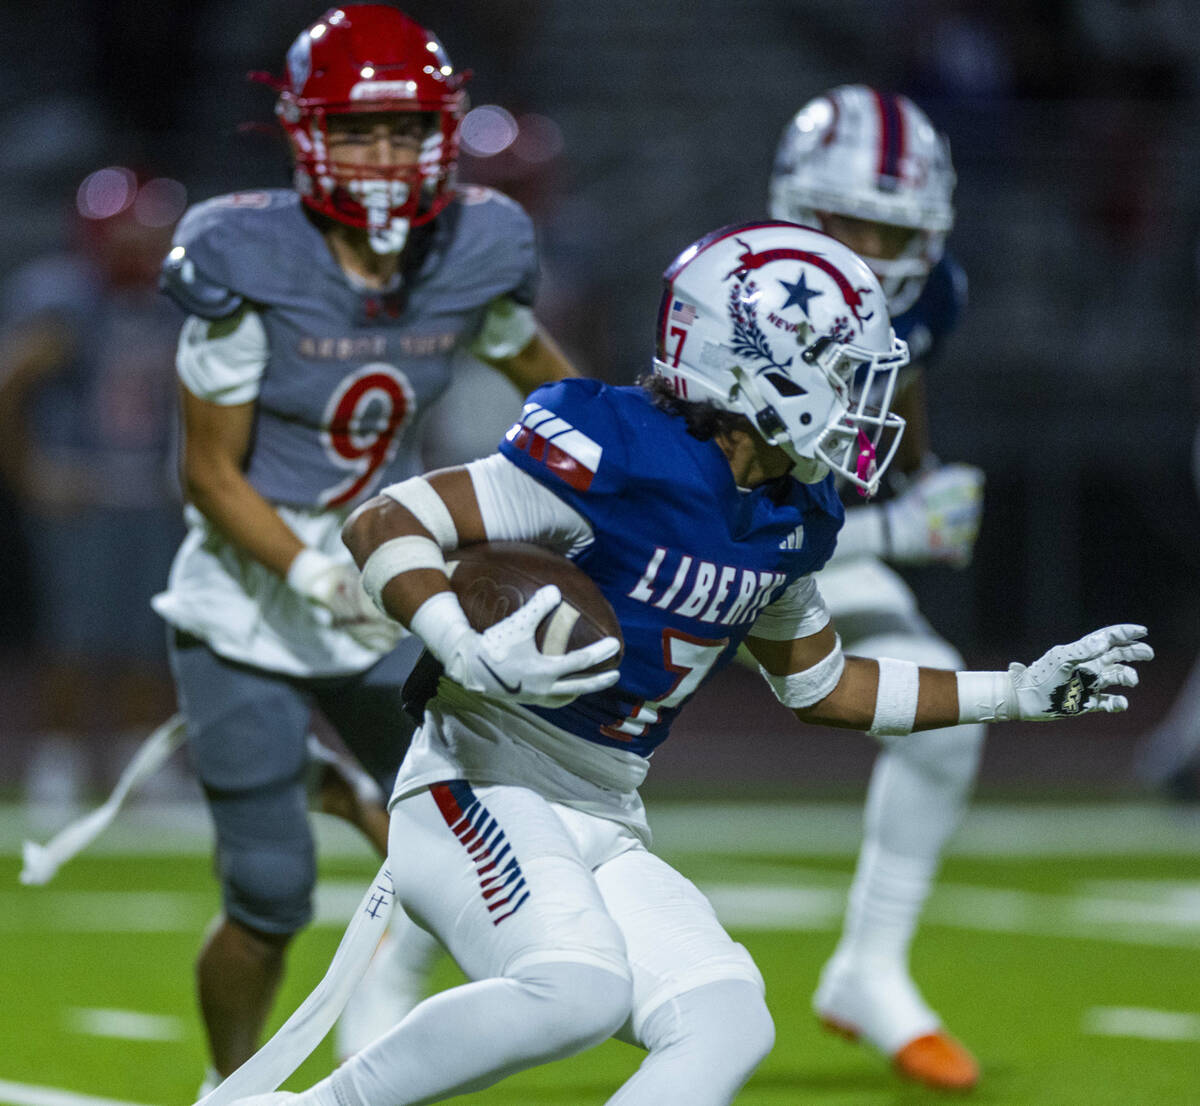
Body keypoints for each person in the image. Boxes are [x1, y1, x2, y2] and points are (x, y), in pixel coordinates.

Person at [227, 220, 1150, 1106]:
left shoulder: (793, 509)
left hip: (605, 809)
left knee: (725, 1017)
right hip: (474, 782)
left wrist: (1019, 693)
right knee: (576, 990)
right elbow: (386, 521)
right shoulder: (619, 450)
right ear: (752, 366)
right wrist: (460, 640)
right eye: (839, 370)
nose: (861, 399)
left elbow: (824, 684)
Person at [151, 4, 576, 1087]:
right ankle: (232, 1082)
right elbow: (205, 475)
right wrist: (311, 572)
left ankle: (367, 821)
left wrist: (627, 454)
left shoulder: (474, 246)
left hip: (379, 575)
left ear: (445, 129)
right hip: (247, 600)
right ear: (305, 134)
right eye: (356, 131)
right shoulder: (243, 256)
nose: (382, 158)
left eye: (403, 131)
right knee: (268, 891)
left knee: (485, 825)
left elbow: (553, 384)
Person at [768, 84, 986, 1087]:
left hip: (807, 550)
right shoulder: (747, 297)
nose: (877, 250)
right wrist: (902, 527)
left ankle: (871, 964)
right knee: (538, 768)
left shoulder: (933, 294)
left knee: (946, 707)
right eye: (854, 222)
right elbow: (716, 506)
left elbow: (899, 378)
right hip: (669, 557)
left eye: (898, 229)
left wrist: (917, 473)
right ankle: (403, 970)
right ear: (798, 208)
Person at [0, 165, 187, 819]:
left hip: (155, 489)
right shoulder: (64, 297)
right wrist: (31, 472)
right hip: (86, 484)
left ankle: (143, 765)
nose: (146, 244)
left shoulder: (176, 298)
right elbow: (11, 382)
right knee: (74, 635)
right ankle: (58, 761)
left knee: (152, 633)